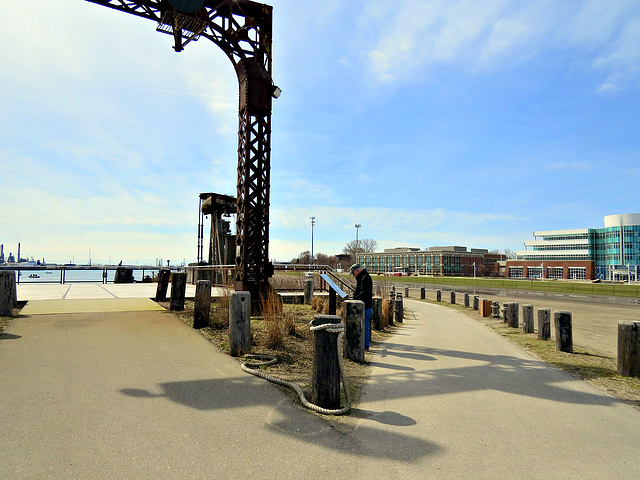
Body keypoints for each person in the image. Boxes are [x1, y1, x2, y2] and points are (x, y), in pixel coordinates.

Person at [350, 263, 373, 350]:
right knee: (366, 326)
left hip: (365, 306)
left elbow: (363, 293)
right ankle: (365, 343)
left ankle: (365, 345)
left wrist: (356, 298)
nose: (353, 275)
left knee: (365, 327)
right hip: (366, 305)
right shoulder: (364, 277)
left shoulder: (364, 278)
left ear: (357, 271)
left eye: (353, 273)